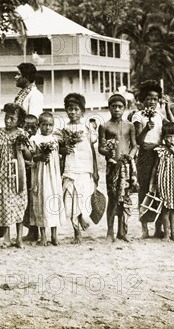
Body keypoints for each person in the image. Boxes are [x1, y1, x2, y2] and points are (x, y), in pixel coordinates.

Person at [132, 79, 174, 239]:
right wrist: (146, 128)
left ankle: (159, 227)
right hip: (145, 157)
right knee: (144, 189)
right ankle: (145, 228)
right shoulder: (138, 115)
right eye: (149, 98)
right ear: (143, 99)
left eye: (155, 98)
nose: (152, 101)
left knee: (160, 191)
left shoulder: (159, 115)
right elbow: (139, 141)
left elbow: (173, 126)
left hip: (159, 156)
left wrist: (167, 107)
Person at [99, 94, 138, 242]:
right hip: (113, 166)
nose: (116, 109)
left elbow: (134, 145)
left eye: (120, 107)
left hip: (126, 165)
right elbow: (100, 148)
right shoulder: (105, 126)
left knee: (125, 198)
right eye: (113, 106)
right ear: (109, 108)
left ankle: (122, 231)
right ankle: (110, 231)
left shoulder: (130, 126)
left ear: (125, 108)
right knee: (113, 198)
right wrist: (108, 152)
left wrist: (131, 156)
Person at [59, 93, 97, 244]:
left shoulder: (87, 129)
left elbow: (92, 151)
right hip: (69, 168)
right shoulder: (63, 130)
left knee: (83, 198)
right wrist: (64, 149)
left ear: (82, 111)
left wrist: (94, 171)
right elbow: (59, 149)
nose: (72, 112)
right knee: (70, 199)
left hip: (85, 169)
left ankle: (82, 218)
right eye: (69, 109)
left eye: (76, 109)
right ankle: (77, 233)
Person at [0, 103, 31, 249]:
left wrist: (23, 149)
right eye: (7, 117)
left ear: (19, 120)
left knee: (19, 203)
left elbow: (30, 155)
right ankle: (7, 238)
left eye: (12, 118)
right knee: (5, 203)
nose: (8, 121)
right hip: (3, 172)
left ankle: (19, 238)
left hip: (18, 172)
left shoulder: (22, 134)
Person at [30, 112, 64, 246]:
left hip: (53, 175)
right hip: (40, 174)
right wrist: (40, 157)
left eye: (50, 125)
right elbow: (31, 158)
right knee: (42, 201)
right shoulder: (35, 139)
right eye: (44, 125)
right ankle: (43, 234)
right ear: (39, 125)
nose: (47, 128)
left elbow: (59, 157)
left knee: (54, 201)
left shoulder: (55, 139)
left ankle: (54, 235)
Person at [151, 122, 174, 241]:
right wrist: (152, 184)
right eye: (169, 137)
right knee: (165, 208)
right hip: (163, 182)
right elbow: (155, 168)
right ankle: (166, 234)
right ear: (164, 137)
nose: (172, 139)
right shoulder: (160, 150)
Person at [22, 114, 40, 242]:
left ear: (37, 127)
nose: (29, 130)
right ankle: (31, 230)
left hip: (36, 174)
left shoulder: (39, 139)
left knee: (35, 202)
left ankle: (35, 231)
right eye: (26, 127)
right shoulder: (22, 139)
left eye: (32, 127)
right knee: (27, 203)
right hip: (25, 174)